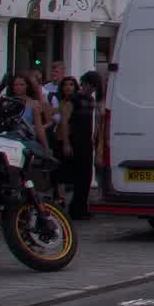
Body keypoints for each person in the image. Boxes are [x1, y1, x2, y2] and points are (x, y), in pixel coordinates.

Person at [58, 72, 98, 219]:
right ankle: (76, 208)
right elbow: (64, 121)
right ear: (85, 83)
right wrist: (66, 142)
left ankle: (81, 207)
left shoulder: (90, 100)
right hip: (75, 141)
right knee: (79, 176)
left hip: (86, 141)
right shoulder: (74, 99)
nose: (92, 89)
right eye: (91, 85)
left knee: (86, 176)